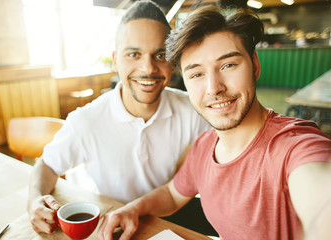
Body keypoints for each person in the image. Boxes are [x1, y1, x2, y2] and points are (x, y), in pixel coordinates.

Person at [97, 5, 331, 240]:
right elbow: (171, 195)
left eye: (228, 65)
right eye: (197, 74)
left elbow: (320, 196)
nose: (214, 88)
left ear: (255, 66)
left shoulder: (294, 146)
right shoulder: (205, 145)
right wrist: (133, 208)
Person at [27, 0, 210, 235]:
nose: (148, 68)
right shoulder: (86, 120)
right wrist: (34, 199)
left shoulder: (191, 108)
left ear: (172, 60)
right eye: (134, 54)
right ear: (115, 59)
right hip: (108, 222)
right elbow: (47, 165)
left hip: (162, 215)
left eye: (160, 54)